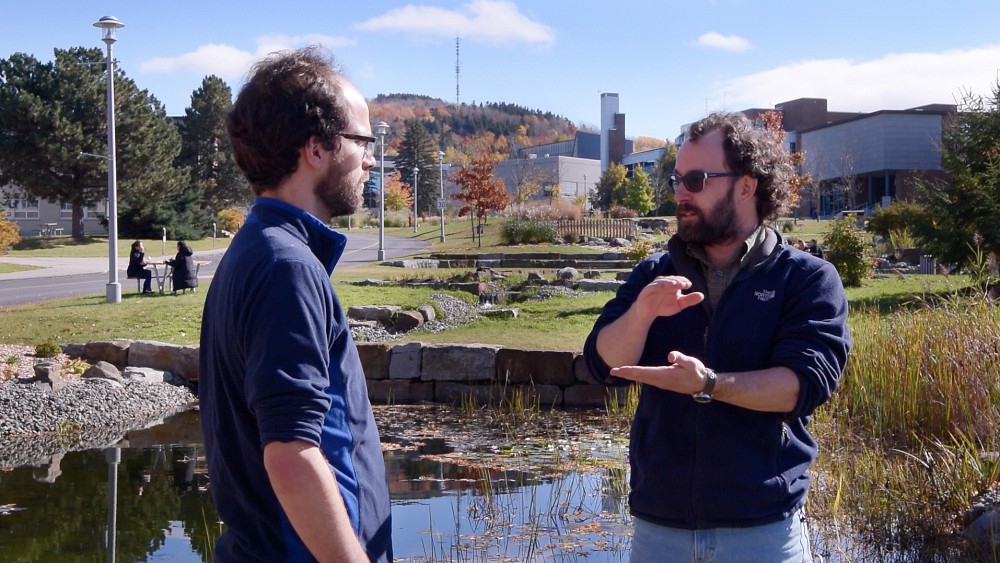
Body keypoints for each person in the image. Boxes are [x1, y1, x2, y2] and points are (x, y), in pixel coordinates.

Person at [583, 112, 850, 562]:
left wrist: (709, 385)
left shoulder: (806, 279)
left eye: (696, 178)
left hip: (762, 533)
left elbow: (802, 385)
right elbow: (602, 365)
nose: (681, 193)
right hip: (658, 532)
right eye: (677, 180)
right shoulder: (654, 273)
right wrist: (642, 313)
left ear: (747, 185)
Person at [199, 47, 392, 562]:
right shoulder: (288, 268)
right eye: (363, 141)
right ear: (316, 149)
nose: (371, 158)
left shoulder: (257, 249)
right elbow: (291, 458)